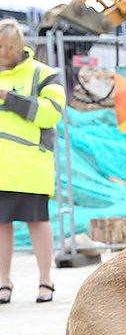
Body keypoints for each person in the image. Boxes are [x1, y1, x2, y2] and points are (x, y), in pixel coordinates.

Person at [0, 19, 65, 304]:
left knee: (38, 223)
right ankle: (3, 282)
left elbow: (51, 114)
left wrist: (10, 99)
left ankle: (45, 280)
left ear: (18, 45)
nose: (1, 52)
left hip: (30, 167)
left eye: (6, 47)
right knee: (1, 226)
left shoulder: (44, 74)